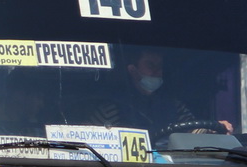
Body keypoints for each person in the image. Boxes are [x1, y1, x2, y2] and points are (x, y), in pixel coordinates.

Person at [91, 48, 233, 136]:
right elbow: (97, 142)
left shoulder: (175, 106)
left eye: (160, 66)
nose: (157, 71)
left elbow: (193, 131)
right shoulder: (110, 109)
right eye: (150, 65)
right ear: (133, 71)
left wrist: (213, 128)